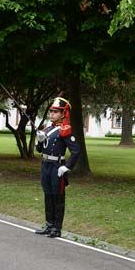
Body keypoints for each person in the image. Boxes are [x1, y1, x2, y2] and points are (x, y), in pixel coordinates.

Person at [34, 97, 81, 238]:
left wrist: (67, 167)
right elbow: (40, 150)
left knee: (57, 197)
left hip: (57, 167)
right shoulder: (48, 129)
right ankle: (49, 224)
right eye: (51, 112)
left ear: (62, 114)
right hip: (46, 166)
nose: (52, 114)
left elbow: (76, 150)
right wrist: (40, 140)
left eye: (55, 112)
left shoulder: (64, 130)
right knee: (48, 196)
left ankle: (57, 228)